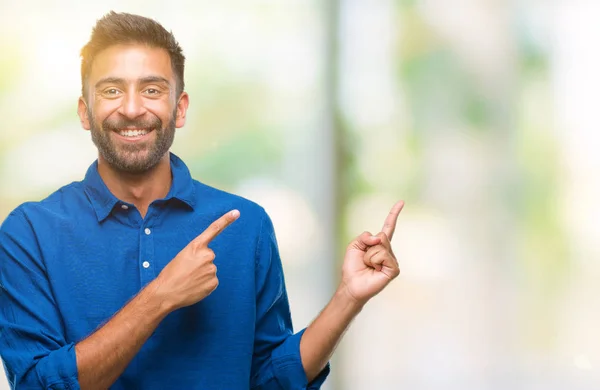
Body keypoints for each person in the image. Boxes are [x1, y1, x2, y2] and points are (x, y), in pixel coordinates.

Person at [0, 11, 403, 390]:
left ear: (180, 108)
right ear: (85, 112)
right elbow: (35, 382)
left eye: (152, 89)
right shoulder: (28, 233)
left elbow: (270, 379)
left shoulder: (245, 225)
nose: (133, 108)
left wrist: (348, 298)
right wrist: (160, 297)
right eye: (111, 90)